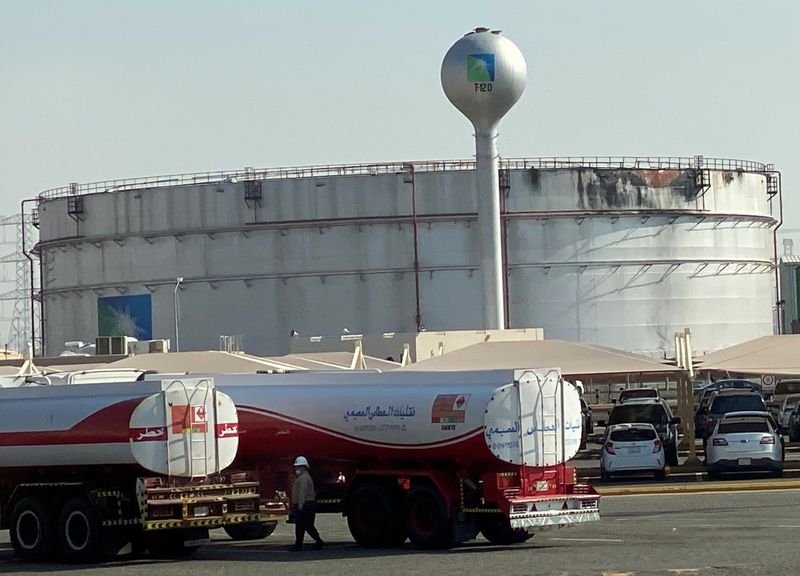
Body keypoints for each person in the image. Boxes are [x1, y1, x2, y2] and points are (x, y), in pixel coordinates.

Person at [289, 455, 324, 551]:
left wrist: (300, 505)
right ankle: (317, 541)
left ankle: (300, 544)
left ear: (303, 467)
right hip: (307, 505)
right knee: (307, 525)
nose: (296, 469)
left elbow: (302, 492)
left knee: (301, 525)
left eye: (298, 467)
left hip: (305, 505)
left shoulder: (303, 478)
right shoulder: (304, 477)